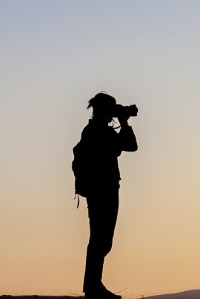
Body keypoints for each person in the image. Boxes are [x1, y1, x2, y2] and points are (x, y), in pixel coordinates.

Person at [74, 92, 138, 299]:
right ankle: (93, 287)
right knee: (101, 239)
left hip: (103, 189)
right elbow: (131, 146)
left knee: (101, 239)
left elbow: (128, 147)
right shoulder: (97, 132)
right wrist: (124, 123)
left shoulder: (95, 130)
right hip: (103, 190)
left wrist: (122, 121)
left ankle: (93, 285)